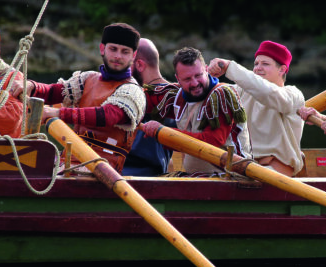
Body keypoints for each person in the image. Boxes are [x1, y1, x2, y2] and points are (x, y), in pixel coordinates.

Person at [16, 23, 146, 172]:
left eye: (125, 52)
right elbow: (55, 92)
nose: (118, 56)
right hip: (70, 160)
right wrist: (31, 86)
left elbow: (108, 116)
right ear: (102, 49)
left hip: (103, 169)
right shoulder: (88, 78)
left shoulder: (133, 91)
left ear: (133, 56)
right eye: (113, 49)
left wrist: (58, 114)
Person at [141, 47, 251, 176]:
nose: (194, 83)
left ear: (205, 69)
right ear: (178, 79)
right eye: (187, 79)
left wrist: (161, 132)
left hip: (231, 178)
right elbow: (140, 100)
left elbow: (212, 141)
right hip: (198, 179)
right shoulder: (175, 96)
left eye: (198, 75)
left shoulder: (221, 95)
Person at [207, 40, 304, 176]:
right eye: (256, 64)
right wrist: (204, 76)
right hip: (243, 165)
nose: (258, 68)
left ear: (282, 69)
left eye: (265, 64)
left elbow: (268, 93)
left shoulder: (293, 95)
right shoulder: (241, 91)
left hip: (276, 169)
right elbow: (207, 90)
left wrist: (229, 67)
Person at [122, 38, 176, 176]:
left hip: (141, 175)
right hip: (119, 170)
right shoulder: (176, 95)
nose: (121, 73)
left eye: (126, 66)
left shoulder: (167, 97)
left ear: (139, 65)